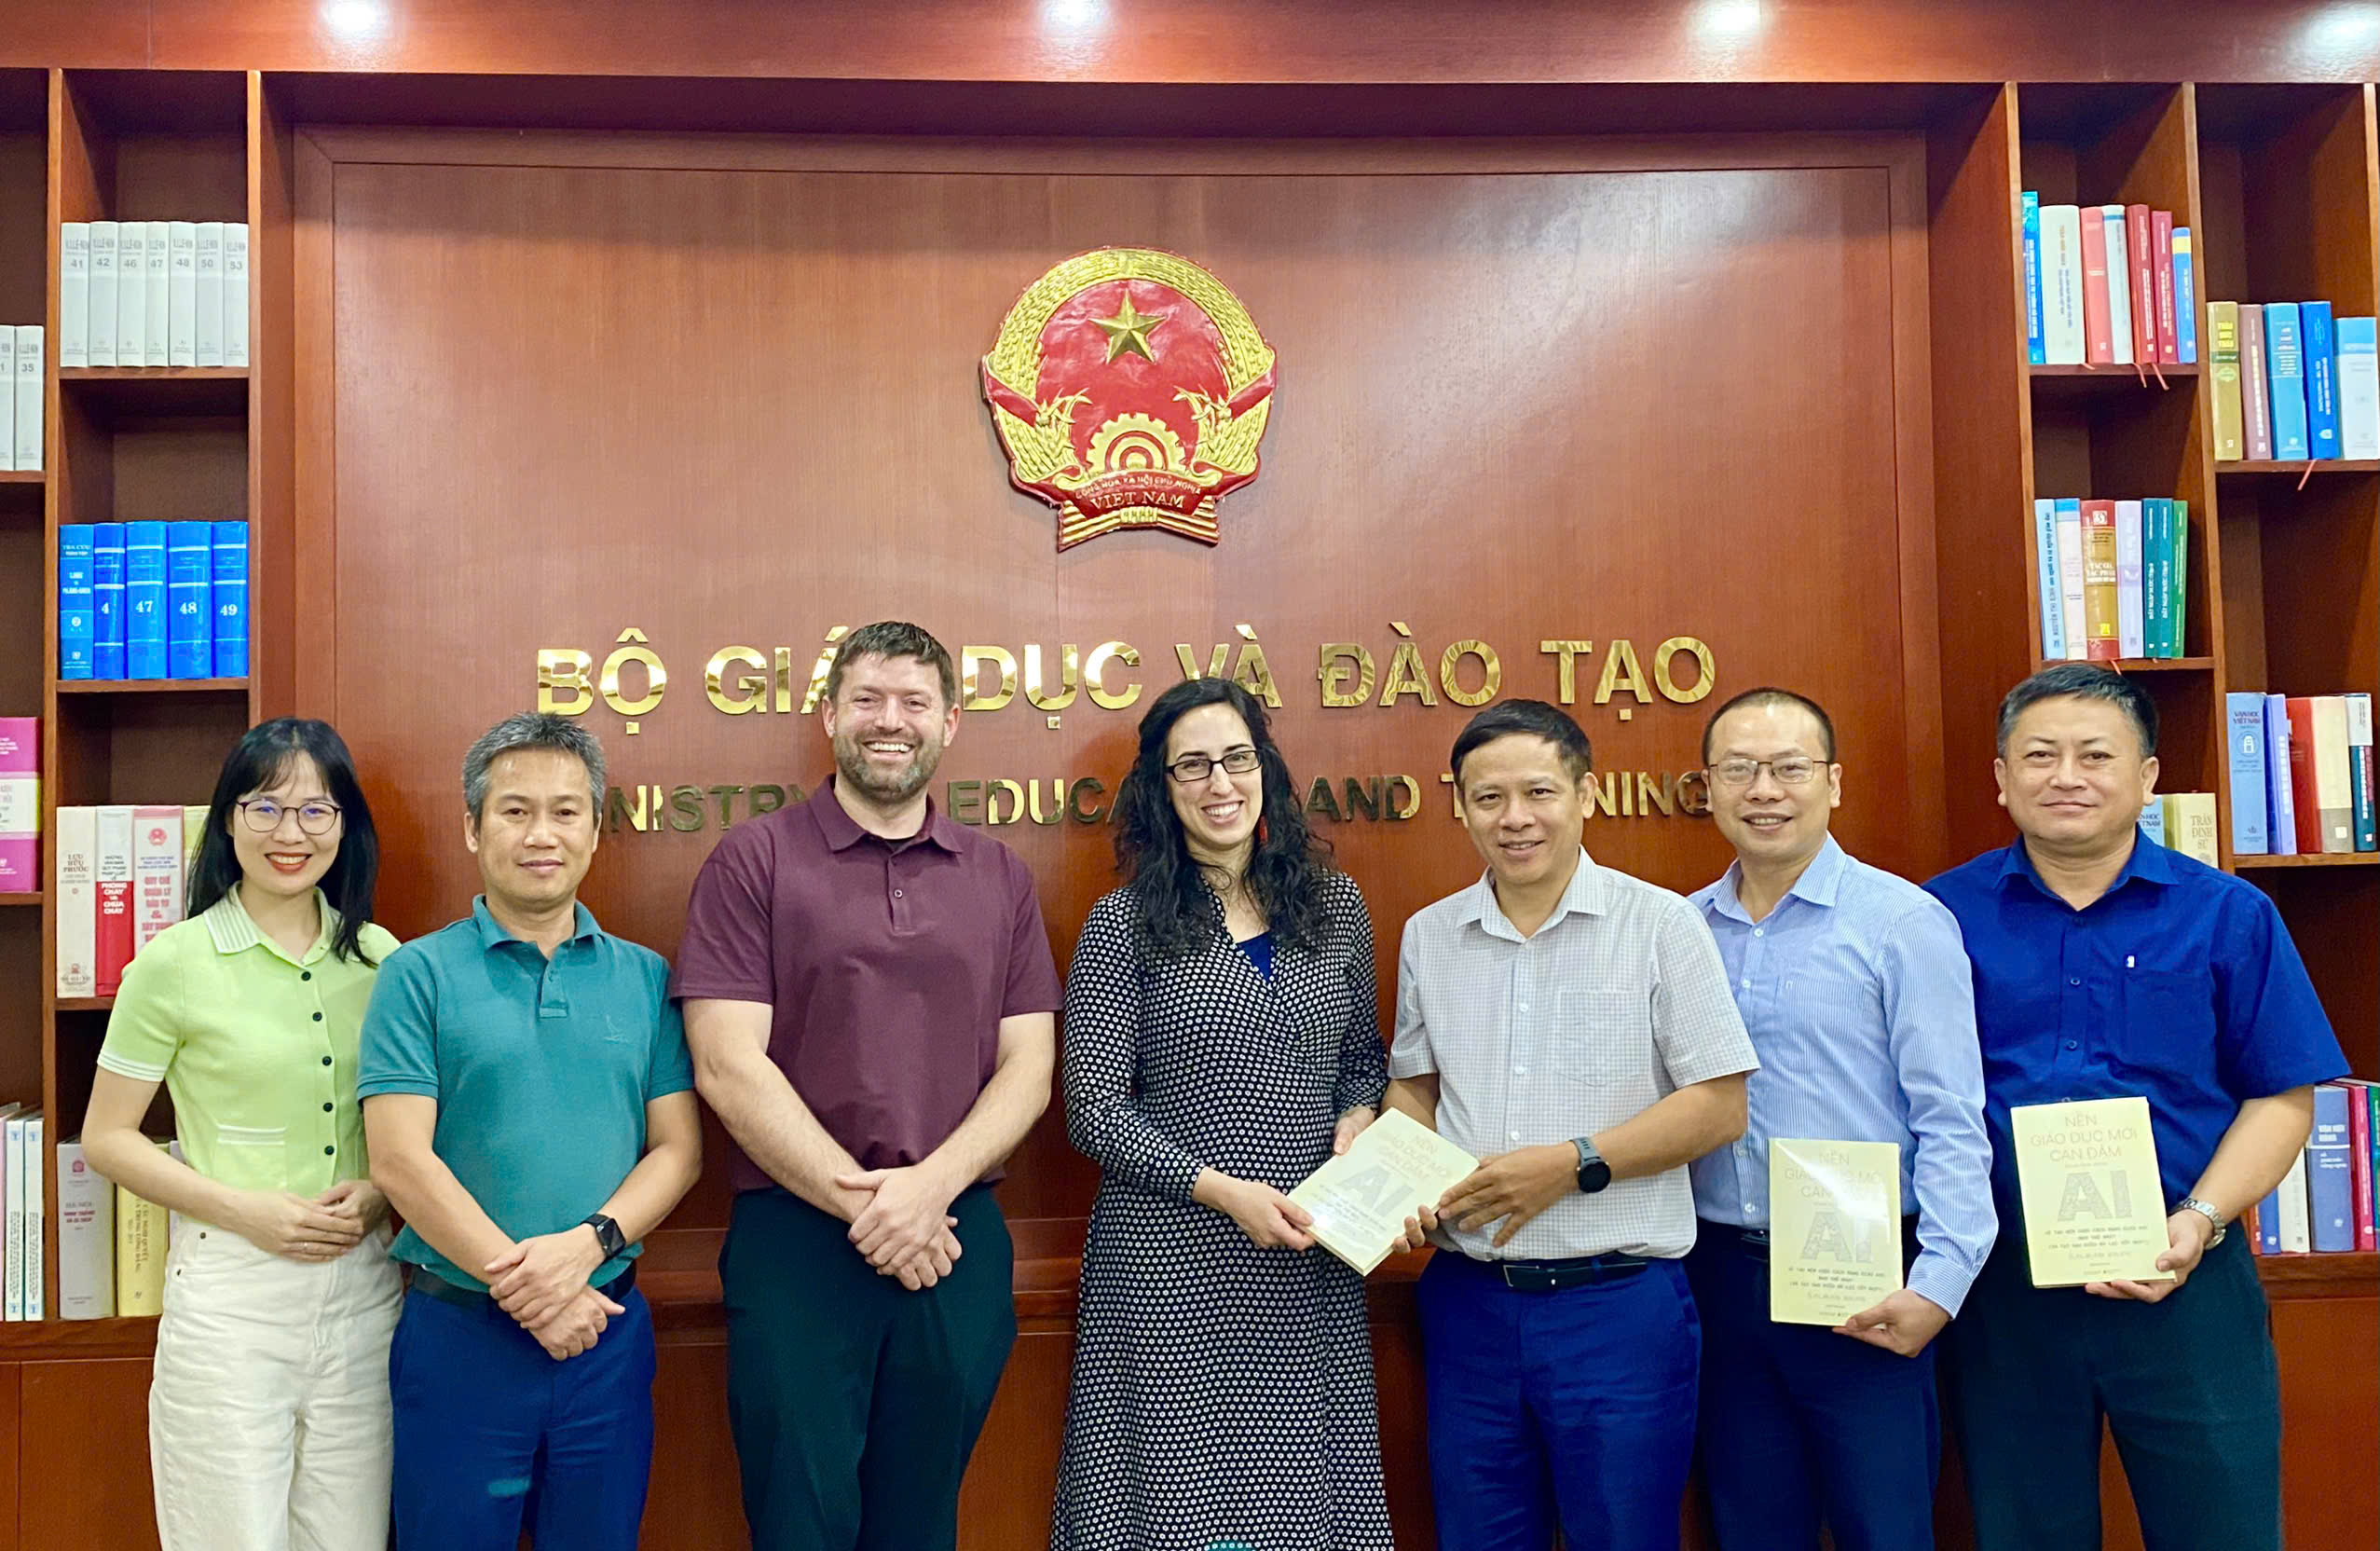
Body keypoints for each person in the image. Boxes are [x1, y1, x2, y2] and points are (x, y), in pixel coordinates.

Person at [1924, 664, 2346, 1551]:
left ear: (2148, 776)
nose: (2066, 776)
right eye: (2039, 755)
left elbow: (2281, 1097)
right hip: (2002, 1287)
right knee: (2024, 1531)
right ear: (2001, 777)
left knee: (2222, 1529)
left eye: (2095, 755)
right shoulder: (1935, 917)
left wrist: (2198, 1221)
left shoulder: (2230, 914)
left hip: (2186, 1278)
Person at [673, 621, 1060, 1551]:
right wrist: (874, 1209)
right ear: (830, 715)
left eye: (914, 701)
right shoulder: (754, 859)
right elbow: (727, 1062)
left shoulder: (999, 874)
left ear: (950, 722)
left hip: (953, 1239)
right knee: (798, 1521)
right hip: (797, 1239)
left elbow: (1030, 1066)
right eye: (868, 699)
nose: (891, 720)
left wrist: (927, 1192)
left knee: (920, 1525)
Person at [1386, 698, 1758, 1551]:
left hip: (1616, 1309)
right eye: (1488, 798)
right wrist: (1400, 1183)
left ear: (1586, 794)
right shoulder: (1430, 935)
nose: (1514, 818)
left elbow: (1719, 1104)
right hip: (1469, 1305)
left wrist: (1573, 1164)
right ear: (1460, 807)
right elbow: (1414, 1088)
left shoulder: (1661, 924)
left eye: (1539, 792)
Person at [1052, 677, 1393, 1551]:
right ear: (1161, 790)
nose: (1219, 784)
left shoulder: (1335, 907)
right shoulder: (1122, 924)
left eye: (1236, 758)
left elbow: (1361, 1058)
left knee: (1302, 1508)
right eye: (1192, 766)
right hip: (1172, 1266)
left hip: (1308, 1250)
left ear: (1264, 768)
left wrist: (1359, 1113)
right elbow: (1093, 1109)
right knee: (1176, 1509)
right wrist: (1222, 1190)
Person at [360, 712, 702, 1551]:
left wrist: (585, 1250)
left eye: (565, 811)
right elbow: (399, 1160)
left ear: (596, 829)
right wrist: (530, 1290)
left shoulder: (645, 976)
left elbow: (678, 1148)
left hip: (603, 1328)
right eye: (515, 811)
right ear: (473, 829)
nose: (541, 834)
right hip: (460, 1335)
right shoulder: (416, 973)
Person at [1685, 686, 1996, 1551]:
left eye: (1789, 768)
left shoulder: (1902, 922)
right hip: (1719, 1278)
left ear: (1833, 782)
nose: (1764, 790)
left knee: (1884, 1530)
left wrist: (1938, 1284)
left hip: (1866, 1279)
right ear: (1707, 788)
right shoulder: (1680, 928)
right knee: (1749, 1528)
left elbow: (1951, 1117)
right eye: (1738, 770)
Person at [83, 718, 404, 1551]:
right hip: (232, 1296)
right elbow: (107, 1138)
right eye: (265, 808)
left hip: (365, 1290)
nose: (290, 833)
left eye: (315, 810)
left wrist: (380, 1192)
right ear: (228, 820)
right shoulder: (173, 962)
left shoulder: (381, 958)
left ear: (345, 825)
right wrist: (246, 1211)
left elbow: (407, 1126)